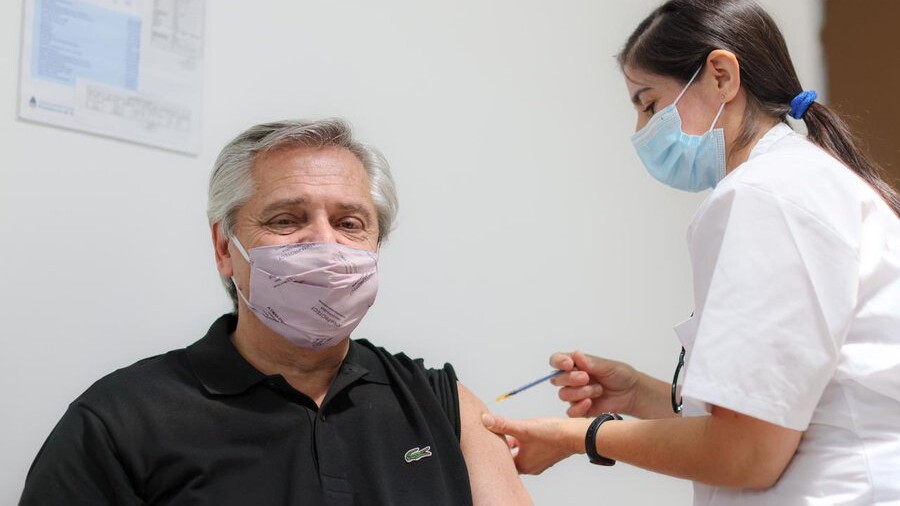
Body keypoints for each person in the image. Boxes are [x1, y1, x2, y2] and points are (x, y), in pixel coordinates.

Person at [482, 1, 900, 504]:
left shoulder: (765, 196)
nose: (640, 131)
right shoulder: (800, 181)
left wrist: (578, 436)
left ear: (722, 76)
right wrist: (641, 394)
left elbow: (747, 454)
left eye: (649, 104)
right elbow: (775, 415)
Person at [20, 119, 532, 505]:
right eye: (286, 219)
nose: (325, 244)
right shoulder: (119, 422)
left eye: (350, 223)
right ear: (225, 248)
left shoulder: (441, 403)